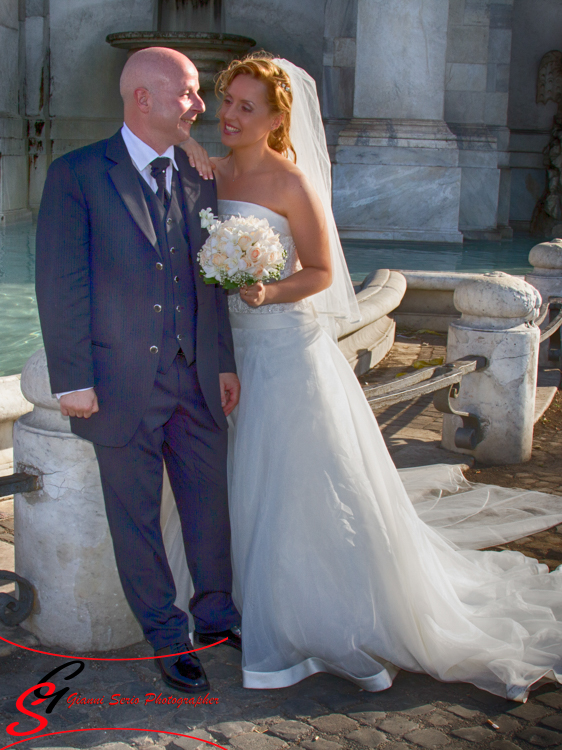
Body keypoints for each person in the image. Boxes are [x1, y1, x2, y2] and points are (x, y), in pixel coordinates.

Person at [163, 51, 562, 702]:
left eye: (245, 106)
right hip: (227, 355)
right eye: (226, 100)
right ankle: (224, 602)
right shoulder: (211, 173)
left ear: (274, 118)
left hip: (286, 353)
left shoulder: (292, 183)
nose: (230, 115)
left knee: (292, 484)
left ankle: (304, 617)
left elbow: (320, 273)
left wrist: (268, 290)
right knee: (228, 480)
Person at [35, 47, 242, 694]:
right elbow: (60, 280)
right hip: (117, 384)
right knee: (137, 518)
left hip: (196, 376)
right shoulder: (76, 173)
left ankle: (217, 616)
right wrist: (72, 378)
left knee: (210, 504)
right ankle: (166, 635)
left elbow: (210, 282)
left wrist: (225, 362)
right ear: (142, 99)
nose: (201, 104)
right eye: (188, 92)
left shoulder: (199, 173)